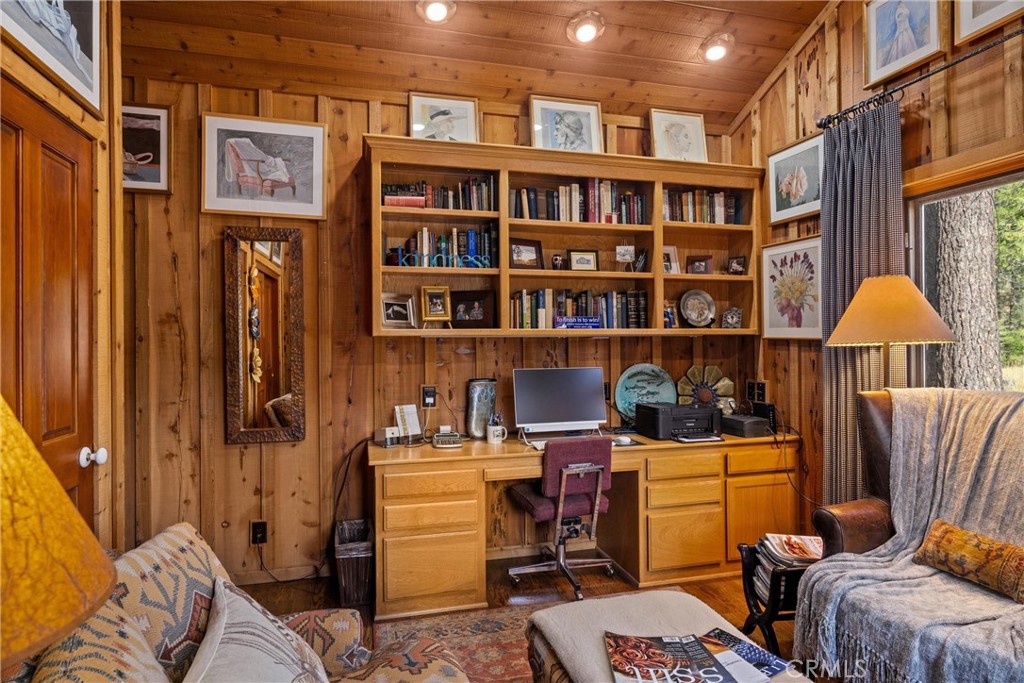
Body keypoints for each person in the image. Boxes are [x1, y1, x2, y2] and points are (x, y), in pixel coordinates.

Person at [883, 0, 918, 66]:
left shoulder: (904, 8)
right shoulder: (899, 10)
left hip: (907, 29)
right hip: (902, 30)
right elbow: (898, 21)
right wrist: (903, 26)